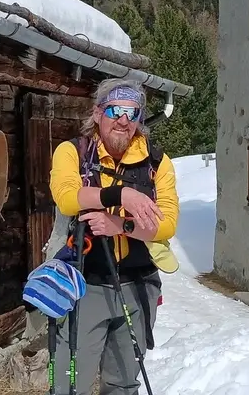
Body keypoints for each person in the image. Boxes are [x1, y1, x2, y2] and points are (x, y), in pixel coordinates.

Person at [45, 79, 180, 395]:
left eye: (133, 114)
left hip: (138, 285)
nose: (124, 120)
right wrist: (121, 195)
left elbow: (168, 224)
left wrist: (122, 226)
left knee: (122, 384)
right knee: (68, 385)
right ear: (97, 112)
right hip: (83, 285)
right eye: (116, 110)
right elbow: (66, 197)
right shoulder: (73, 152)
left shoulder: (156, 162)